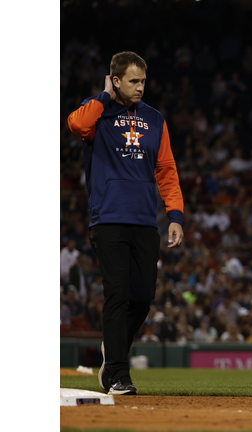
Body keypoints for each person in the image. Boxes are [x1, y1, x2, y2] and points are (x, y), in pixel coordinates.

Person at [68, 51, 184, 396]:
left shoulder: (155, 119)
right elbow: (76, 124)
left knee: (143, 297)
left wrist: (175, 216)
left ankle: (113, 348)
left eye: (143, 81)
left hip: (146, 220)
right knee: (117, 294)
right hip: (108, 219)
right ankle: (118, 373)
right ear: (115, 80)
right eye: (133, 81)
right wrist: (104, 96)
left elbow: (166, 170)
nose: (140, 88)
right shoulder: (99, 114)